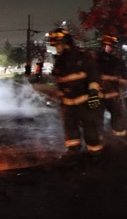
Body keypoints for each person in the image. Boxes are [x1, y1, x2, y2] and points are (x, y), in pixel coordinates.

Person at [49, 27, 104, 161]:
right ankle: (73, 152)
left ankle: (95, 154)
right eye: (55, 45)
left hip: (85, 100)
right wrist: (60, 94)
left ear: (65, 42)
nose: (57, 48)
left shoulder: (83, 55)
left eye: (58, 44)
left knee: (90, 130)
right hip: (69, 103)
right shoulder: (60, 60)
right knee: (70, 130)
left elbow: (94, 76)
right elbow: (59, 79)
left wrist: (93, 93)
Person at [96, 34, 127, 143]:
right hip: (97, 94)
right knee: (96, 118)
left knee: (118, 117)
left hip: (113, 94)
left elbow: (125, 80)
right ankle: (97, 141)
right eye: (105, 45)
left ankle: (119, 140)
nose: (107, 48)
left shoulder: (118, 62)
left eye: (109, 46)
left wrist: (112, 78)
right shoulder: (95, 59)